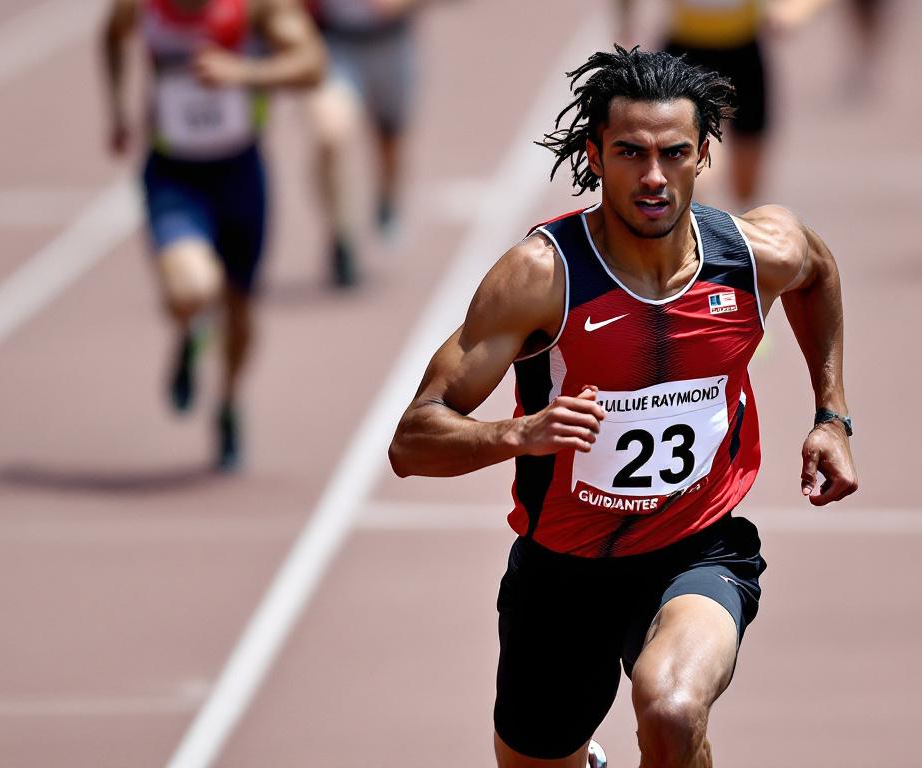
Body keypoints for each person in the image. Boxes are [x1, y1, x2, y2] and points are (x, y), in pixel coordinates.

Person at [389, 47, 858, 768]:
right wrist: (518, 432)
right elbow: (412, 441)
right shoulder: (542, 278)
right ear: (595, 155)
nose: (652, 177)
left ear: (704, 154)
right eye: (630, 152)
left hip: (697, 548)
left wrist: (832, 417)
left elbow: (818, 271)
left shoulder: (753, 252)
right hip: (561, 574)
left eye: (674, 153)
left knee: (670, 708)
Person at [102, 0, 326, 470]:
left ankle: (227, 402)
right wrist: (118, 109)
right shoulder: (142, 6)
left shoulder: (254, 6)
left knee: (242, 310)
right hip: (174, 174)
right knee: (191, 286)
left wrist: (244, 73)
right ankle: (191, 329)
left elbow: (311, 64)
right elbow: (110, 36)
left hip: (240, 173)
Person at [305, 0, 431, 288]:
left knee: (390, 139)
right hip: (334, 44)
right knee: (329, 134)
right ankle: (341, 238)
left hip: (391, 43)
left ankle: (386, 197)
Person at [617, 0, 772, 209]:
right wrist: (625, 24)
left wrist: (793, 10)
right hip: (686, 52)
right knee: (693, 162)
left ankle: (733, 226)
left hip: (743, 53)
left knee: (745, 186)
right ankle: (698, 228)